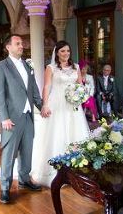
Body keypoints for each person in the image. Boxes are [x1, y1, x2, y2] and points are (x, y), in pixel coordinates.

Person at [0, 34, 44, 204]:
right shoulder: (1, 67)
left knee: (27, 149)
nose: (22, 46)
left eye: (22, 43)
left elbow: (33, 90)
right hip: (12, 118)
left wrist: (42, 106)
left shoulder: (28, 66)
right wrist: (4, 117)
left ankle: (24, 179)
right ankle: (5, 187)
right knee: (9, 153)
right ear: (8, 47)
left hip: (28, 116)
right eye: (18, 43)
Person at [30, 41, 90, 186]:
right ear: (57, 53)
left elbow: (79, 85)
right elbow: (46, 86)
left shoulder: (76, 67)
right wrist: (44, 105)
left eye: (68, 51)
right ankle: (56, 172)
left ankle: (77, 170)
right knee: (57, 133)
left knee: (75, 132)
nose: (66, 54)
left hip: (72, 105)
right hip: (57, 103)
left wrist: (80, 95)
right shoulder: (51, 68)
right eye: (62, 51)